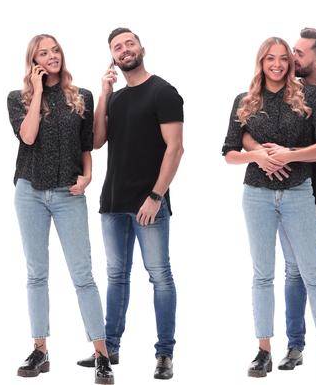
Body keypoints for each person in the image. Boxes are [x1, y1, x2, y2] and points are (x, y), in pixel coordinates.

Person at [220, 36, 316, 382]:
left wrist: (289, 154)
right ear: (260, 62)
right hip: (257, 195)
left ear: (290, 64)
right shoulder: (243, 101)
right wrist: (257, 155)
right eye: (269, 59)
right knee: (262, 275)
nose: (276, 64)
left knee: (312, 273)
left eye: (282, 59)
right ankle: (263, 351)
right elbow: (229, 152)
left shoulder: (307, 96)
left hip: (297, 193)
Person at [5, 34, 111, 384]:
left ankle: (101, 354)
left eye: (54, 51)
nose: (51, 57)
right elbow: (29, 137)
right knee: (36, 274)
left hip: (68, 192)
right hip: (30, 191)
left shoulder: (81, 97)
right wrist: (36, 92)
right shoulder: (18, 98)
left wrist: (88, 177)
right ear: (32, 61)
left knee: (83, 275)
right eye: (42, 53)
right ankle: (40, 349)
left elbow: (87, 146)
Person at [82, 28, 184, 381]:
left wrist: (156, 196)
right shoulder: (118, 99)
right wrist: (104, 94)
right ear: (113, 57)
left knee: (160, 276)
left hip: (149, 203)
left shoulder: (163, 92)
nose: (124, 50)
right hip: (113, 203)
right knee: (116, 277)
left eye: (129, 43)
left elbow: (175, 148)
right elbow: (96, 141)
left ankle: (165, 354)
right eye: (117, 47)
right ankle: (109, 349)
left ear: (142, 47)